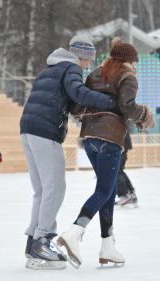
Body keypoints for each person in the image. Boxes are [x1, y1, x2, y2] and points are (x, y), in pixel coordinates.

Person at [20, 34, 117, 270]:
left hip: (28, 128)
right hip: (45, 131)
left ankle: (34, 241)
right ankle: (43, 241)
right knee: (55, 187)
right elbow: (79, 93)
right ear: (82, 56)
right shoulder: (71, 67)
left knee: (42, 190)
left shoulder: (49, 68)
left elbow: (58, 98)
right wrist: (109, 102)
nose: (88, 66)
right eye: (88, 61)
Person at [58, 37, 155, 268]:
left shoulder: (94, 75)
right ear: (130, 61)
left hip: (90, 138)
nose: (136, 66)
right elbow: (127, 107)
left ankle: (107, 246)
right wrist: (145, 115)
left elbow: (78, 104)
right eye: (135, 61)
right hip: (110, 139)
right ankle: (74, 231)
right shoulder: (127, 76)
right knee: (104, 190)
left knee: (108, 190)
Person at [115, 130, 139, 208]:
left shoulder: (118, 119)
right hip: (122, 145)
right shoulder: (120, 119)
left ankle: (124, 195)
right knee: (119, 171)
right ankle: (131, 194)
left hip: (120, 146)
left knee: (116, 171)